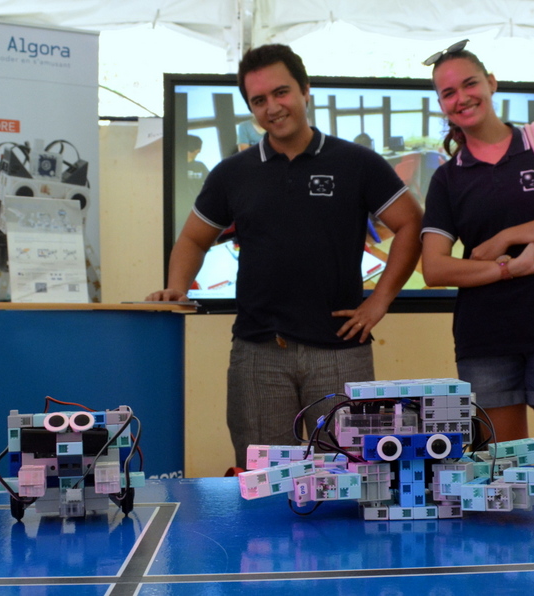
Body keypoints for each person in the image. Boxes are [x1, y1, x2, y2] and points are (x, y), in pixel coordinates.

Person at [147, 44, 423, 468]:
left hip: (340, 351)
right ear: (251, 109)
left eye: (281, 92)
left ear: (305, 90)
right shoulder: (232, 173)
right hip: (258, 354)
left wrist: (379, 301)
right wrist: (176, 288)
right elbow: (192, 240)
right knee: (264, 480)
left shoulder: (357, 163)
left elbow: (410, 224)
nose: (273, 107)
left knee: (350, 475)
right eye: (259, 100)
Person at [420, 40, 534, 464]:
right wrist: (508, 269)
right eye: (448, 93)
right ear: (441, 105)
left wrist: (506, 237)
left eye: (470, 84)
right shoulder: (448, 178)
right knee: (501, 483)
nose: (462, 97)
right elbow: (434, 267)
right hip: (486, 341)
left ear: (491, 83)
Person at [185, 134, 209, 199]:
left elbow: (211, 183)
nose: (199, 152)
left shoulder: (200, 166)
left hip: (198, 201)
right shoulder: (178, 166)